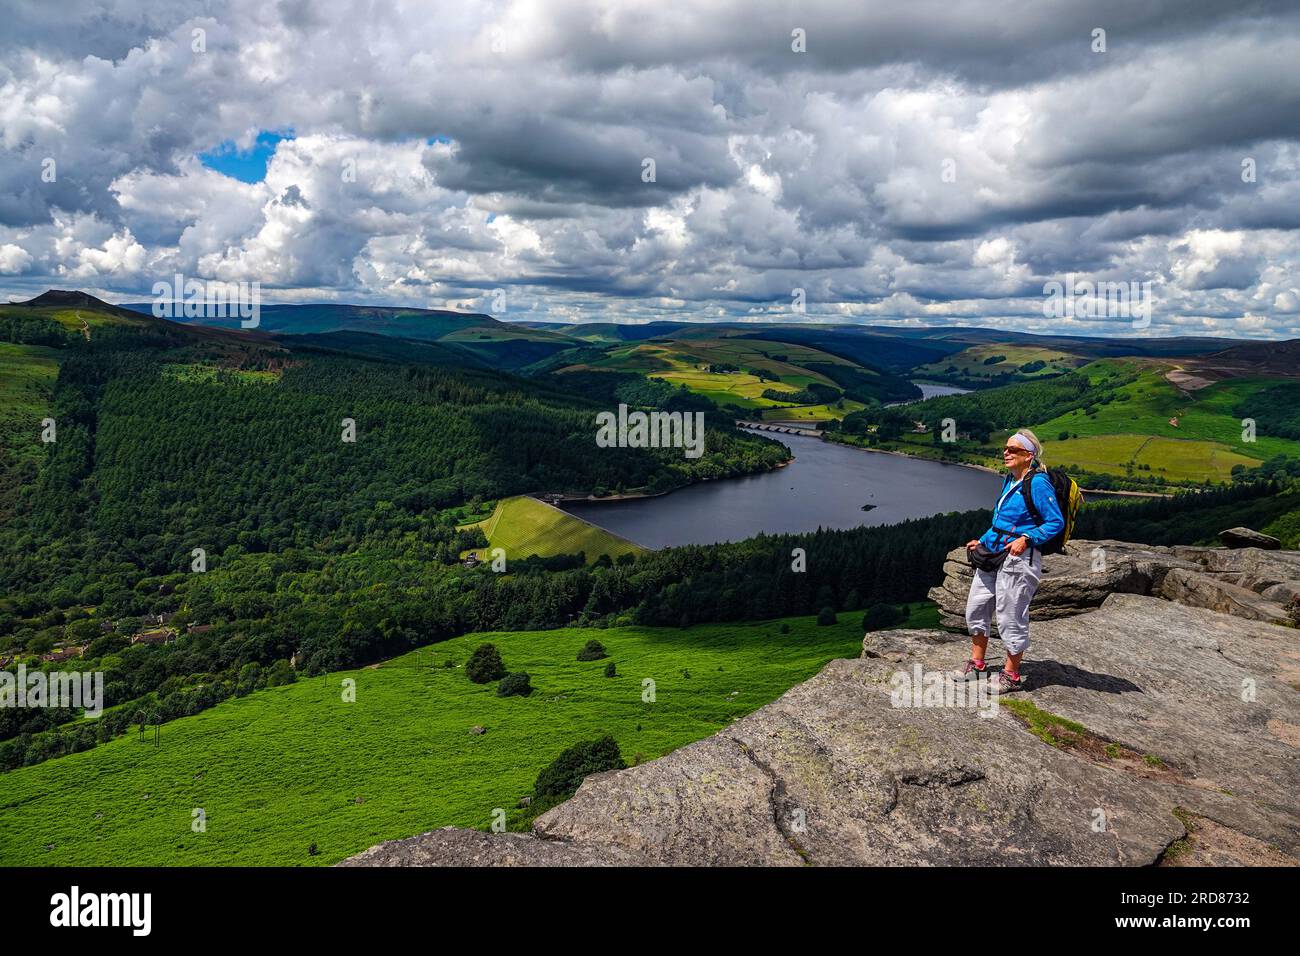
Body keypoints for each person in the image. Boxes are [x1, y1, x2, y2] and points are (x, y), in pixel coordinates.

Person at [955, 429, 1063, 694]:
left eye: (1013, 450)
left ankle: (1011, 675)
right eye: (1005, 448)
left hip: (1018, 559)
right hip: (993, 553)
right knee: (976, 607)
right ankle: (978, 663)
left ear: (1029, 455)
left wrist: (1027, 539)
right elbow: (1001, 520)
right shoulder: (1010, 480)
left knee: (1010, 616)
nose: (1006, 452)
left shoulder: (1037, 483)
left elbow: (1055, 522)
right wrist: (981, 540)